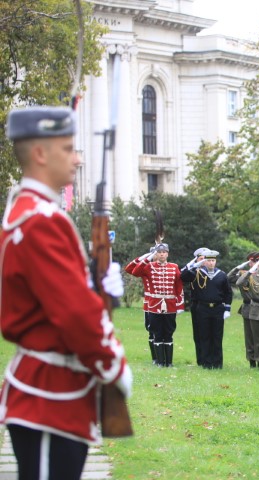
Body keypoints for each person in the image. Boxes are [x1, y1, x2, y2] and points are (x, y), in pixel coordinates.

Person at [0, 105, 132, 478]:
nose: (77, 159)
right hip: (50, 395)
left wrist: (93, 284)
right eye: (67, 149)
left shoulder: (25, 210)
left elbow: (52, 294)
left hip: (50, 390)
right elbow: (73, 313)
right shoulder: (43, 220)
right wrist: (112, 364)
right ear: (40, 154)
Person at [125, 242, 184, 366]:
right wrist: (147, 258)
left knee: (169, 332)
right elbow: (134, 271)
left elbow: (178, 286)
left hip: (170, 305)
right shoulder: (148, 266)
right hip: (154, 304)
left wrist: (180, 305)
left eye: (164, 252)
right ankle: (159, 361)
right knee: (156, 332)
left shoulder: (174, 267)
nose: (161, 255)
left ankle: (169, 363)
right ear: (155, 254)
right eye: (159, 252)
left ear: (167, 254)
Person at [180, 248, 233, 369]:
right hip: (202, 308)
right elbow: (183, 276)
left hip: (218, 308)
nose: (211, 263)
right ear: (205, 262)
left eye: (213, 261)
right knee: (204, 336)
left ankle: (217, 363)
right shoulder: (197, 273)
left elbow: (228, 293)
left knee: (217, 336)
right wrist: (194, 265)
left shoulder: (222, 275)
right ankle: (206, 362)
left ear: (216, 262)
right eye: (208, 261)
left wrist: (227, 309)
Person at [228, 252, 257, 368]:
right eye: (251, 261)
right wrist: (238, 267)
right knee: (249, 336)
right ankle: (252, 361)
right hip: (248, 307)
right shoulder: (243, 273)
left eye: (255, 261)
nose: (253, 263)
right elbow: (229, 278)